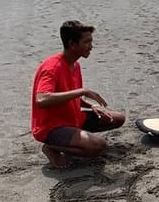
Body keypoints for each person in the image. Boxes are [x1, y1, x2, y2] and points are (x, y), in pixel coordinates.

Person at [31, 20, 126, 168]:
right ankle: (51, 148)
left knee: (118, 118)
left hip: (72, 118)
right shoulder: (52, 68)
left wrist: (91, 106)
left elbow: (70, 95)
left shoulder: (75, 64)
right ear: (72, 44)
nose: (91, 46)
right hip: (51, 127)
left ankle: (75, 138)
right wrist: (82, 91)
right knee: (97, 145)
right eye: (86, 42)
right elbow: (42, 99)